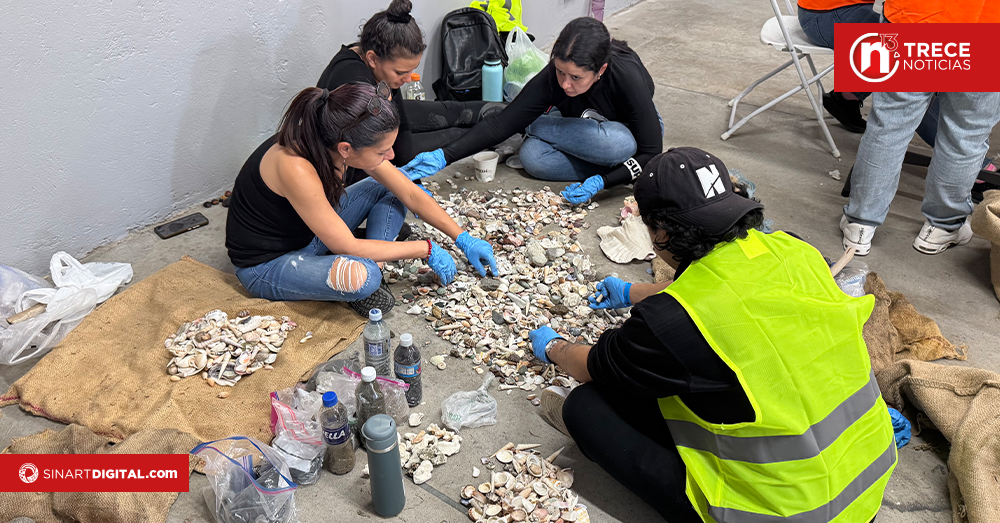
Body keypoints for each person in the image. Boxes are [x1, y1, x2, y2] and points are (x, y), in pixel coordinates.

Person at [528, 148, 896, 522]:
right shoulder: (793, 250)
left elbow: (593, 365)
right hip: (865, 487)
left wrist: (554, 346)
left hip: (786, 515)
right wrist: (631, 292)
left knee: (586, 408)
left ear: (661, 233)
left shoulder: (667, 322)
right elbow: (723, 287)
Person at [225, 83, 497, 316]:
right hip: (269, 264)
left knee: (392, 187)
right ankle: (369, 266)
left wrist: (463, 238)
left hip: (308, 232)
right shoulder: (295, 167)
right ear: (346, 149)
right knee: (364, 278)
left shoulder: (333, 135)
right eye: (382, 151)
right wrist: (425, 249)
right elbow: (347, 245)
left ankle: (374, 259)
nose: (391, 156)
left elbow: (410, 193)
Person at [404, 17, 662, 205]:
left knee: (619, 145)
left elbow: (651, 152)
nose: (565, 84)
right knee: (533, 157)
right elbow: (499, 125)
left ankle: (529, 124)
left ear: (600, 71)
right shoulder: (554, 76)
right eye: (560, 72)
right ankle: (527, 122)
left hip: (625, 135)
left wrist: (603, 181)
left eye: (576, 77)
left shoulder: (625, 77)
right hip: (578, 129)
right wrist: (444, 156)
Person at [840, 0, 1000, 256]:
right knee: (965, 135)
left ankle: (860, 224)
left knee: (889, 126)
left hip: (915, 15)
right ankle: (942, 227)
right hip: (987, 23)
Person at [316, 0, 504, 185]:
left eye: (411, 70)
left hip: (378, 124)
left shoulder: (369, 56)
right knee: (454, 134)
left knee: (452, 111)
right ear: (372, 59)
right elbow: (399, 152)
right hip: (359, 160)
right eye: (400, 72)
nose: (408, 79)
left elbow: (402, 124)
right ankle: (496, 132)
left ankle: (507, 113)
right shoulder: (355, 83)